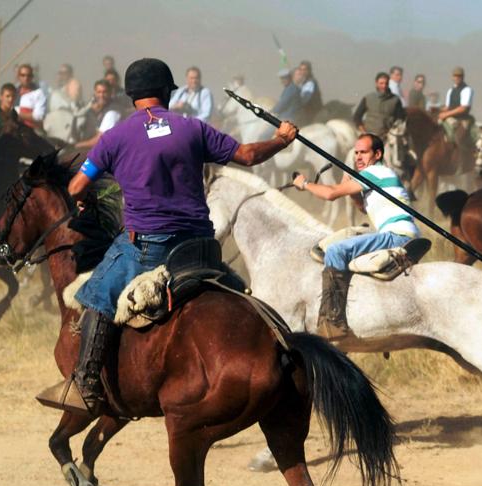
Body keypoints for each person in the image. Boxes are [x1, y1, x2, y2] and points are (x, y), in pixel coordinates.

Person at [60, 57, 298, 414]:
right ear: (166, 93)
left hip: (147, 247)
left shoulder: (114, 138)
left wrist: (84, 200)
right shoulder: (193, 128)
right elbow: (248, 155)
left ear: (131, 96)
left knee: (95, 296)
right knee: (241, 297)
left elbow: (76, 185)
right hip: (200, 245)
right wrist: (281, 139)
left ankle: (87, 384)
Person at [293, 133, 423, 339]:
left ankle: (332, 321)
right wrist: (352, 191)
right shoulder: (377, 175)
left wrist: (305, 183)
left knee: (335, 250)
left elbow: (330, 194)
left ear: (377, 153)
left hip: (396, 235)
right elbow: (363, 208)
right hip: (401, 232)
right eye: (356, 153)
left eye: (364, 152)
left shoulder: (375, 171)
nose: (358, 157)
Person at [73, 79, 121, 150]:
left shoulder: (113, 111)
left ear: (110, 93)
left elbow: (100, 140)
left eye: (105, 92)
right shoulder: (93, 110)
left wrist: (77, 145)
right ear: (95, 93)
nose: (101, 95)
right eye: (99, 92)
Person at [439, 67, 474, 146]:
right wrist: (439, 110)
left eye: (459, 76)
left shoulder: (467, 90)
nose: (457, 78)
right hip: (449, 118)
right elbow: (447, 107)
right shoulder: (450, 90)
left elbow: (463, 108)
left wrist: (446, 114)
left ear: (462, 77)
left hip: (462, 120)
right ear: (452, 77)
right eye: (455, 76)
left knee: (458, 139)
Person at [15, 64, 46, 131]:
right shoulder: (13, 92)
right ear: (18, 77)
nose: (26, 78)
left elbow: (38, 116)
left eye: (28, 75)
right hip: (15, 129)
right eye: (23, 75)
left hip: (32, 130)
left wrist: (17, 115)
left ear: (32, 77)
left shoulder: (39, 93)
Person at [292, 60, 322, 126]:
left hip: (310, 113)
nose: (302, 72)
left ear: (309, 71)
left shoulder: (310, 83)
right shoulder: (303, 82)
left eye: (305, 70)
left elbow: (305, 100)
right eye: (301, 70)